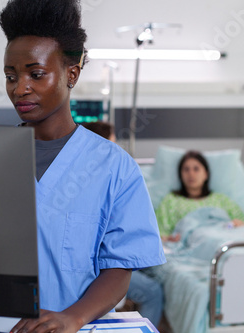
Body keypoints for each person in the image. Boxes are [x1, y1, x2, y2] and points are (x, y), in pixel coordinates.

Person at [0, 1, 165, 332]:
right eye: (10, 76)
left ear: (71, 74)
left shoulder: (115, 168)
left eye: (36, 74)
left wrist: (73, 316)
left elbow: (118, 270)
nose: (19, 88)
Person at [81, 121, 164, 327]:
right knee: (153, 292)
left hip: (114, 262)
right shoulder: (101, 180)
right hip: (102, 270)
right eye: (112, 142)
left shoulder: (118, 174)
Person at [156, 150, 244, 241]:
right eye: (186, 169)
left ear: (206, 174)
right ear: (180, 175)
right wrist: (169, 239)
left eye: (196, 169)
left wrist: (235, 225)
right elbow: (159, 234)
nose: (191, 174)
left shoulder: (221, 200)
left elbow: (241, 225)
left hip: (224, 240)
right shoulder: (171, 201)